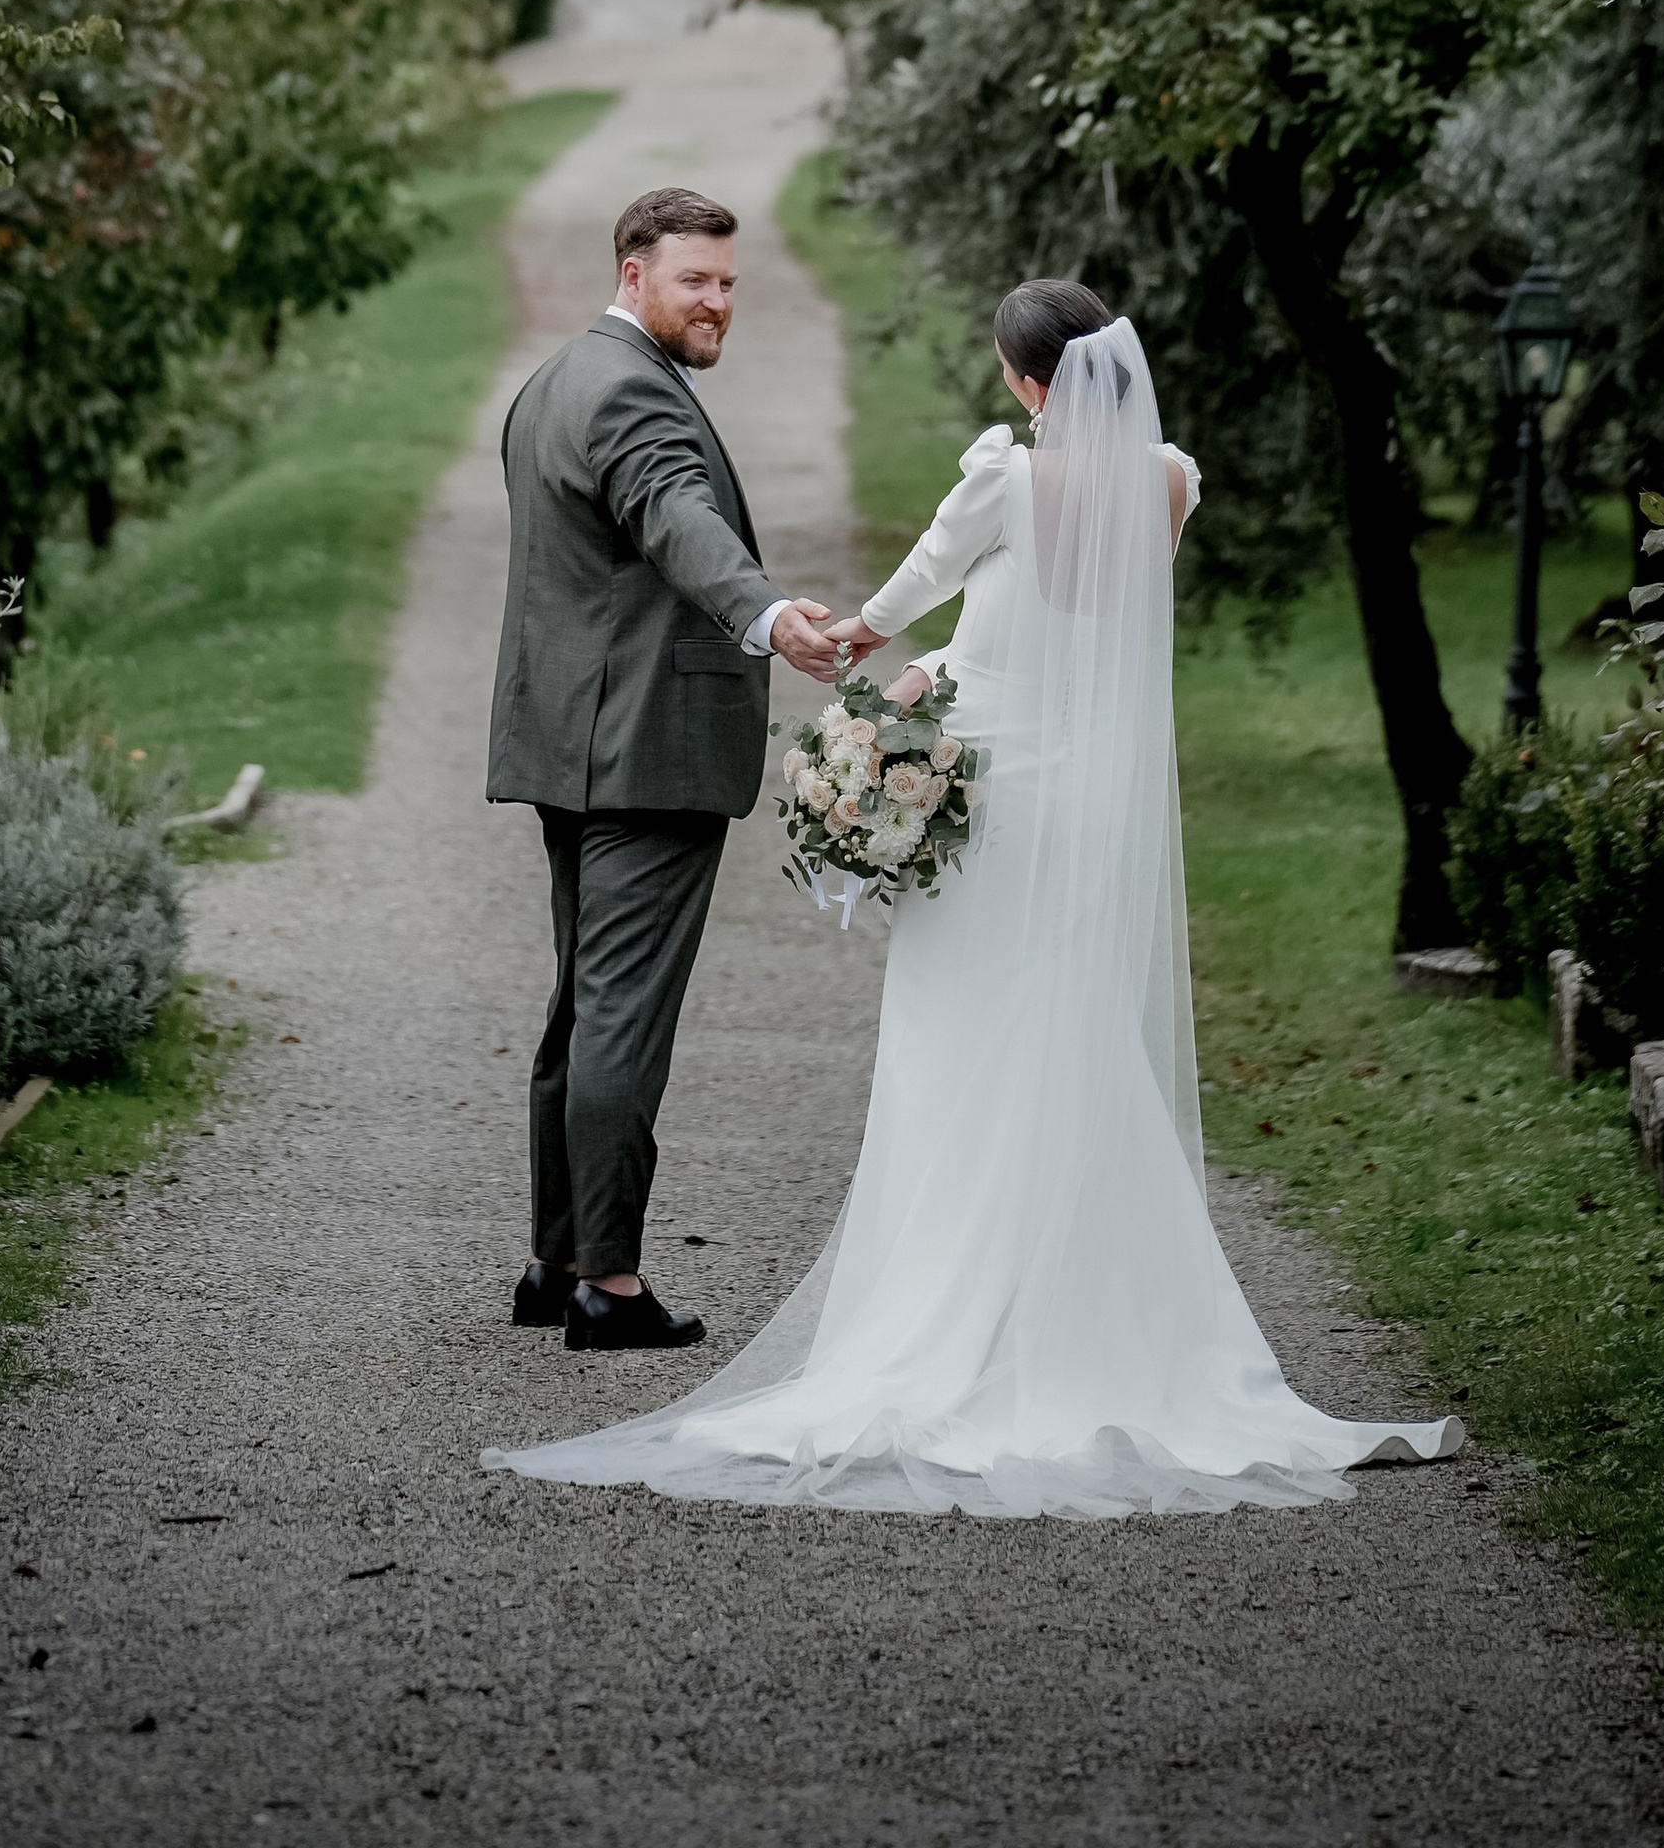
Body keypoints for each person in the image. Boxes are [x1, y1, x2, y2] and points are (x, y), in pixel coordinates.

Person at [487, 276, 1461, 1513]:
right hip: (1089, 804)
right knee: (1077, 1042)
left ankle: (948, 1317)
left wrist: (863, 663)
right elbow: (1078, 638)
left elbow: (903, 605)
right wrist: (944, 667)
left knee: (959, 1055)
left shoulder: (1003, 480)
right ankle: (1102, 1320)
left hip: (990, 818)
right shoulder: (1169, 479)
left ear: (1023, 379)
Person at [487, 185, 842, 1352]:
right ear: (635, 273)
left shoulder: (553, 382)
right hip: (646, 753)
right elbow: (673, 512)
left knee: (581, 1014)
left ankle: (554, 1263)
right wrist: (768, 611)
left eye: (731, 283)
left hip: (573, 745)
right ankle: (610, 1285)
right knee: (620, 1021)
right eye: (698, 280)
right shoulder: (635, 393)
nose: (720, 303)